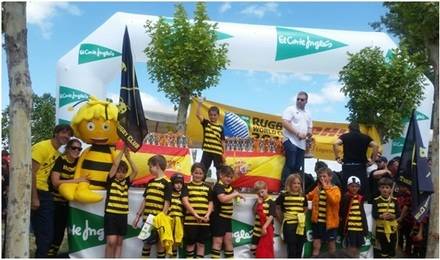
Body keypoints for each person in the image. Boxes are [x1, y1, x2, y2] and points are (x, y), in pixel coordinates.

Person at [31, 124, 73, 258]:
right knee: (44, 235)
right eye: (63, 132)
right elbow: (30, 172)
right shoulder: (42, 147)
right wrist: (34, 197)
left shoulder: (57, 153)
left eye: (68, 134)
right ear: (55, 133)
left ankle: (42, 254)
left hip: (45, 193)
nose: (66, 136)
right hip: (34, 191)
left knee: (47, 234)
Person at [47, 139, 84, 257]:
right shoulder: (61, 160)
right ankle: (46, 255)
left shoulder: (79, 162)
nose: (77, 151)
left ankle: (53, 254)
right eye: (74, 148)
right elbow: (55, 182)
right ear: (67, 148)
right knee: (52, 232)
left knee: (61, 233)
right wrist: (76, 181)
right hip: (54, 202)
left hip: (69, 203)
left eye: (79, 149)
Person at [133, 155, 171, 258]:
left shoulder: (167, 183)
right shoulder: (150, 183)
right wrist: (138, 216)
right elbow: (145, 200)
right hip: (148, 220)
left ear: (157, 165)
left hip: (159, 220)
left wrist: (161, 218)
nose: (149, 169)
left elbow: (167, 203)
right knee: (146, 244)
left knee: (160, 246)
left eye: (150, 167)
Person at [104, 145, 138, 258]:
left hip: (122, 215)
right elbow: (114, 165)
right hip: (111, 214)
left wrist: (128, 158)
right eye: (119, 171)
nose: (120, 174)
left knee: (119, 242)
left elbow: (135, 171)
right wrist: (122, 151)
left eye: (123, 172)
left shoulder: (126, 182)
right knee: (111, 242)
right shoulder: (111, 180)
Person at [333, 121, 378, 198]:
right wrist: (373, 160)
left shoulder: (345, 136)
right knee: (360, 189)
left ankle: (347, 206)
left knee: (347, 189)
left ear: (349, 128)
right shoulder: (365, 137)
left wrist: (337, 157)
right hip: (361, 167)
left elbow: (335, 143)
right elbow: (376, 146)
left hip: (348, 167)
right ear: (359, 128)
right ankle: (359, 206)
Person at [280, 91, 312, 190]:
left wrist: (308, 134)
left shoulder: (308, 114)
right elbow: (285, 123)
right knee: (291, 163)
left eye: (302, 99)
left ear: (306, 101)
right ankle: (284, 188)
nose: (299, 101)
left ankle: (294, 188)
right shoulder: (290, 109)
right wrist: (297, 133)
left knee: (298, 166)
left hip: (301, 143)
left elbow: (310, 128)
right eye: (298, 99)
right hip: (290, 140)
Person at [211, 165, 244, 258]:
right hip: (218, 218)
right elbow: (223, 199)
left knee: (228, 241)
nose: (229, 179)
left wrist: (238, 195)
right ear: (221, 175)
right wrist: (235, 194)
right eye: (227, 176)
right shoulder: (218, 186)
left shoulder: (229, 187)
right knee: (218, 242)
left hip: (227, 218)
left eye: (230, 177)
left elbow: (233, 194)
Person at [307, 167, 341, 257]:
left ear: (330, 177)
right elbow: (309, 196)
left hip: (330, 223)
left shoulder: (335, 189)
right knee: (316, 246)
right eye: (320, 176)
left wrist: (326, 188)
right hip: (317, 222)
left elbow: (334, 201)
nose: (322, 178)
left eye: (324, 176)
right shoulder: (318, 188)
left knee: (331, 247)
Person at [181, 163, 213, 258]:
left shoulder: (208, 187)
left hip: (204, 222)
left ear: (204, 175)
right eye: (196, 173)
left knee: (201, 244)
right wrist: (195, 214)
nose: (198, 175)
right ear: (192, 173)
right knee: (190, 244)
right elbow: (185, 201)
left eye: (200, 173)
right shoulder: (186, 186)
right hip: (190, 222)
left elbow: (210, 203)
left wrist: (208, 214)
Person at [275, 174, 308, 258]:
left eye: (298, 183)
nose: (297, 185)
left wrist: (301, 216)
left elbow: (305, 207)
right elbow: (276, 207)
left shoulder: (303, 195)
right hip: (289, 225)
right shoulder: (283, 195)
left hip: (300, 225)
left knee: (299, 249)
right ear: (289, 184)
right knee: (292, 249)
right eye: (294, 183)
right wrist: (281, 219)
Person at [339, 176, 368, 257]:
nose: (354, 188)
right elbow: (342, 212)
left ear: (359, 187)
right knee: (350, 249)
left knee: (358, 248)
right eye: (352, 186)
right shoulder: (345, 197)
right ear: (348, 186)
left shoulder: (360, 198)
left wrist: (365, 229)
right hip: (350, 229)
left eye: (356, 186)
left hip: (359, 229)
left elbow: (362, 214)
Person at [196, 99, 225, 179]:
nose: (213, 116)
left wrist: (224, 153)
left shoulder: (220, 127)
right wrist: (199, 103)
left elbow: (222, 141)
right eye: (211, 115)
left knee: (219, 170)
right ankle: (200, 184)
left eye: (214, 115)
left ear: (218, 115)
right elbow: (198, 114)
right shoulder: (206, 123)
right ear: (208, 115)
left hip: (218, 152)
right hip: (207, 151)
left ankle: (219, 186)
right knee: (203, 168)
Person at [372, 177, 400, 258]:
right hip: (381, 230)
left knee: (391, 249)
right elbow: (374, 214)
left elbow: (398, 213)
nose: (385, 190)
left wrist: (393, 216)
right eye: (382, 187)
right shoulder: (376, 200)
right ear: (379, 189)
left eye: (387, 187)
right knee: (383, 249)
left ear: (391, 189)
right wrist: (381, 216)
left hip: (392, 230)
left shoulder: (394, 200)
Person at [250, 181, 275, 257]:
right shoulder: (258, 201)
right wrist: (258, 203)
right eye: (258, 193)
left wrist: (264, 227)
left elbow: (271, 216)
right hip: (257, 229)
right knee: (253, 247)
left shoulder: (271, 201)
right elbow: (254, 211)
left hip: (266, 229)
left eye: (262, 192)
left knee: (265, 248)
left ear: (266, 189)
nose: (260, 195)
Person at [168, 173, 185, 258]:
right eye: (176, 183)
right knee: (167, 243)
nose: (179, 185)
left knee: (175, 243)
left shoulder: (183, 196)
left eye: (181, 183)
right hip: (169, 221)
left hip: (179, 222)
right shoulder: (168, 195)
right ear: (172, 183)